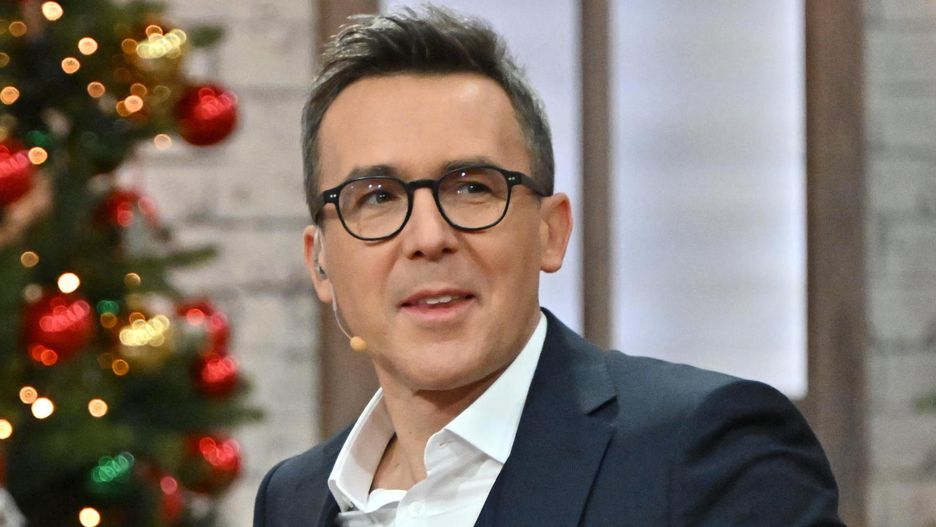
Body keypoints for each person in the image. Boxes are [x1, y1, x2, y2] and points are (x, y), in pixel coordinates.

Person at [254, 6, 844, 527]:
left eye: (472, 187)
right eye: (378, 197)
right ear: (320, 264)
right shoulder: (293, 498)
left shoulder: (710, 453)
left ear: (551, 232)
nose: (429, 238)